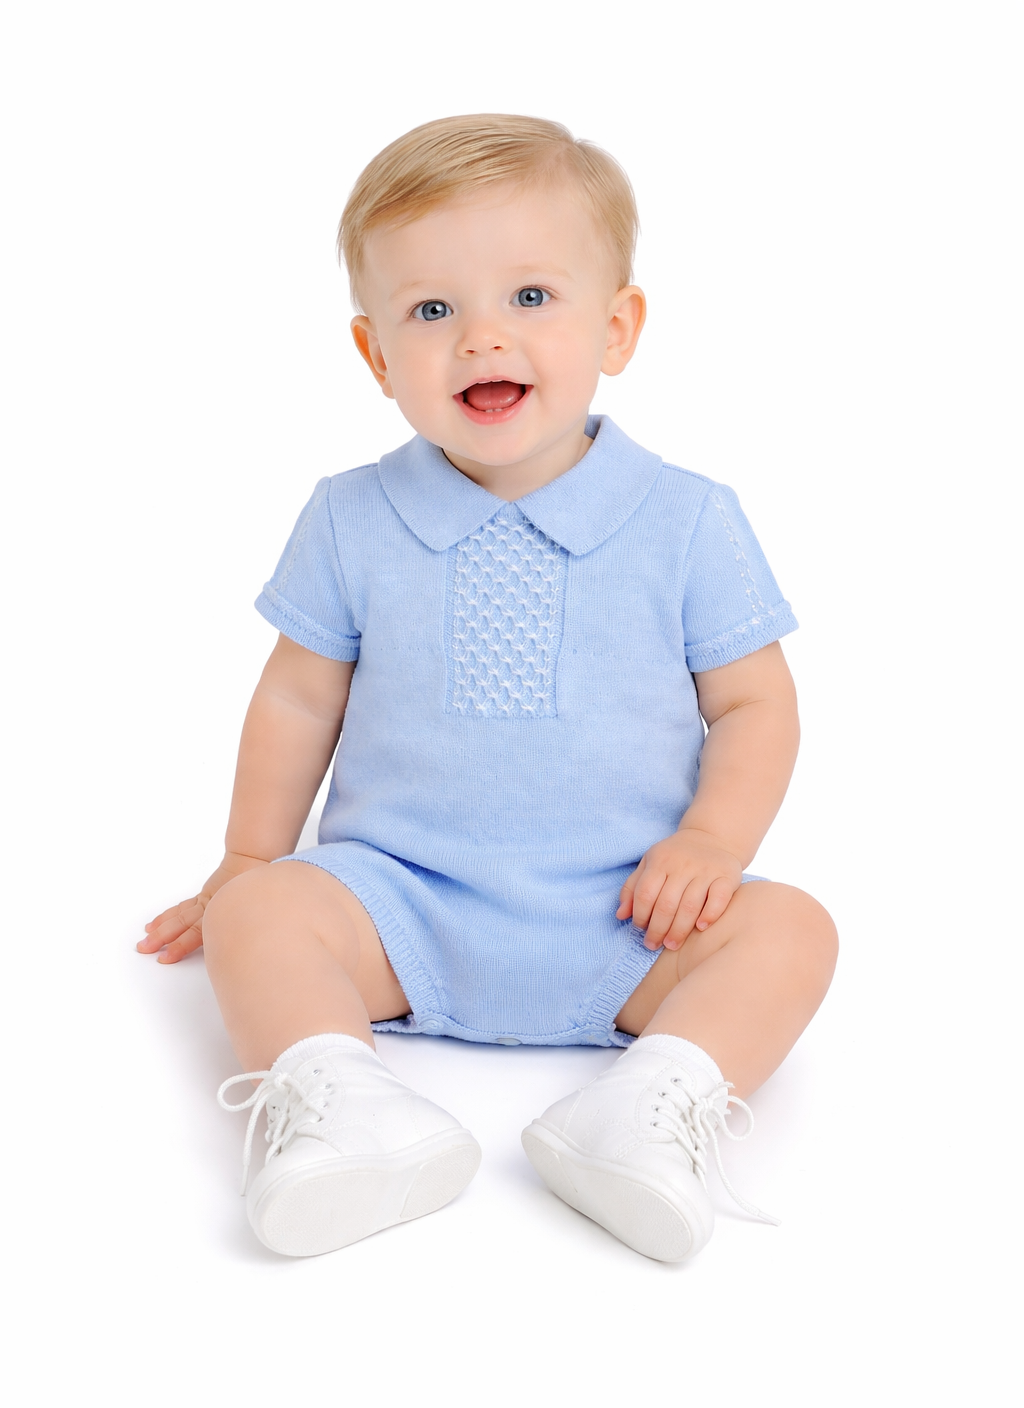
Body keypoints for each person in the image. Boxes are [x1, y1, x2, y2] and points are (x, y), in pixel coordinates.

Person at [138, 114, 838, 1264]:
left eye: (530, 296)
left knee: (793, 930)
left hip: (630, 913)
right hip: (401, 905)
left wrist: (712, 842)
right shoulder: (350, 516)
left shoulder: (686, 518)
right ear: (375, 356)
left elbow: (754, 705)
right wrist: (247, 856)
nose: (480, 337)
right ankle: (344, 1105)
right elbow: (298, 701)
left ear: (617, 328)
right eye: (430, 310)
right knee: (255, 913)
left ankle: (647, 1110)